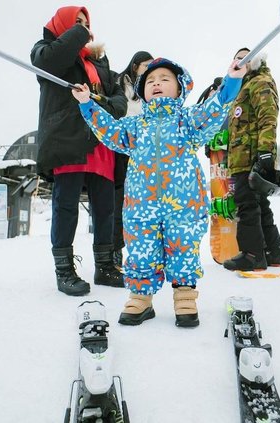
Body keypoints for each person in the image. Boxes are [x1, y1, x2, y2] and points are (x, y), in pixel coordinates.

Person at [72, 57, 248, 327]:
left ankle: (184, 296)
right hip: (141, 206)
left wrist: (232, 81)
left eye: (165, 79)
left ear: (180, 89)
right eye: (150, 81)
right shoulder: (135, 126)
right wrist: (87, 104)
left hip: (183, 205)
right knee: (141, 249)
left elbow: (215, 109)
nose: (156, 83)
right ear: (142, 91)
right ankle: (141, 298)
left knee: (184, 247)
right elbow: (109, 130)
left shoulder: (187, 121)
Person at [30, 6, 127, 296]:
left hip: (100, 139)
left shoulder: (100, 61)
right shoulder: (45, 51)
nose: (84, 27)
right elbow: (50, 62)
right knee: (66, 204)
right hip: (68, 138)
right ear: (63, 25)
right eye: (76, 22)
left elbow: (119, 100)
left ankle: (105, 266)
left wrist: (99, 103)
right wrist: (79, 33)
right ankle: (64, 270)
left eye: (86, 23)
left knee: (106, 208)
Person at [222, 48, 280, 272]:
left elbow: (268, 117)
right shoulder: (244, 86)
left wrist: (265, 152)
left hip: (252, 155)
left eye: (244, 57)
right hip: (242, 155)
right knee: (259, 204)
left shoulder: (260, 81)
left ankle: (252, 254)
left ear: (255, 60)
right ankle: (272, 252)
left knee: (247, 203)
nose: (239, 61)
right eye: (236, 58)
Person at [112, 51, 154, 267]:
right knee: (119, 199)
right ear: (136, 65)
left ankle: (141, 253)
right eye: (146, 65)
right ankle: (115, 249)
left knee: (141, 201)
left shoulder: (149, 87)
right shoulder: (120, 81)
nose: (150, 69)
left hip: (142, 148)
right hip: (122, 143)